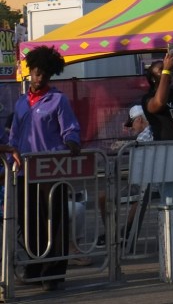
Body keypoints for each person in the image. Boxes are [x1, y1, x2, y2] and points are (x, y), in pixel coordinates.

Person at [9, 45, 80, 291]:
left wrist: (72, 143)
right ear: (30, 73)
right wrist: (8, 164)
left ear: (50, 76)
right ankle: (34, 268)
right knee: (29, 223)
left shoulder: (58, 100)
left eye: (44, 75)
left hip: (52, 168)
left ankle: (54, 274)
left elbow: (70, 129)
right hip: (25, 170)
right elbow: (14, 138)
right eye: (37, 73)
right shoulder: (20, 104)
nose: (40, 78)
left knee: (56, 222)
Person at [96, 105, 153, 248]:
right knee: (137, 194)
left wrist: (121, 146)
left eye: (132, 124)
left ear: (139, 120)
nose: (130, 128)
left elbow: (138, 148)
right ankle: (123, 234)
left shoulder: (145, 135)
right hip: (149, 181)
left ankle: (114, 235)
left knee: (104, 197)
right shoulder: (150, 133)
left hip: (146, 183)